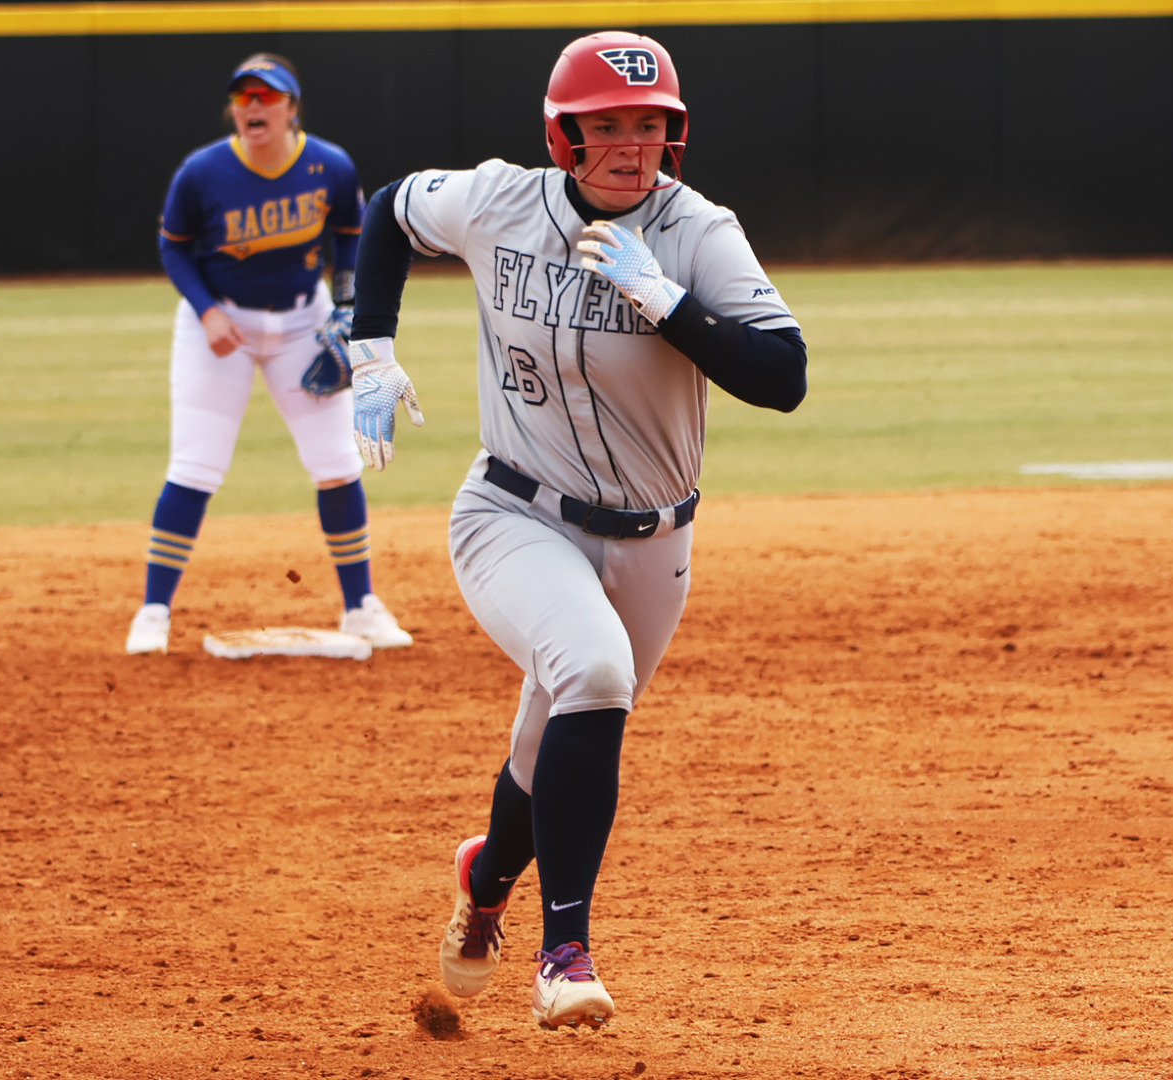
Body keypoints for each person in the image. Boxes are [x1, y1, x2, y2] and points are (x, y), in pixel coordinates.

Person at [334, 31, 807, 1029]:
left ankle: (488, 873)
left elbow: (783, 376)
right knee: (592, 671)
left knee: (552, 735)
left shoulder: (697, 233)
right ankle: (566, 953)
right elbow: (386, 211)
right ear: (565, 136)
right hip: (511, 511)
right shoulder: (501, 200)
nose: (631, 144)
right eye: (608, 126)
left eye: (651, 125)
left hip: (654, 543)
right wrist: (368, 347)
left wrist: (670, 303)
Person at [126, 53, 411, 655]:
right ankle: (154, 612)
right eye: (244, 97)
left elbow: (350, 238)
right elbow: (174, 248)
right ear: (234, 108)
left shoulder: (328, 165)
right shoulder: (202, 173)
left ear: (290, 107)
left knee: (336, 462)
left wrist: (345, 307)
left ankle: (360, 605)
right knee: (196, 466)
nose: (254, 106)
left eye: (266, 96)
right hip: (220, 324)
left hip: (302, 321)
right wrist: (206, 310)